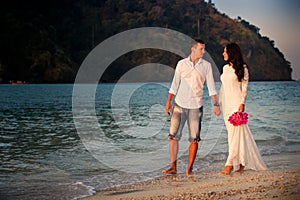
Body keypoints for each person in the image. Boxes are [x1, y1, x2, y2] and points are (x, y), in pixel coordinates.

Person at [163, 39, 221, 176]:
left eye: (204, 49)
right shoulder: (181, 64)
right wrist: (168, 102)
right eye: (201, 49)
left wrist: (216, 104)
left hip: (196, 106)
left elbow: (212, 87)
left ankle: (189, 169)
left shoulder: (206, 66)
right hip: (179, 104)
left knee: (194, 139)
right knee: (173, 137)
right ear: (193, 49)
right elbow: (174, 84)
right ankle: (173, 167)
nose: (203, 51)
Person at [219, 43, 267, 175]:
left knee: (236, 135)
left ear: (232, 53)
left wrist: (242, 104)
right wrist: (218, 103)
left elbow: (244, 88)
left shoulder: (243, 69)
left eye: (225, 51)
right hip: (226, 105)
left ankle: (229, 165)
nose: (223, 54)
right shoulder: (224, 68)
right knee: (232, 136)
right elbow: (223, 87)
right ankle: (241, 164)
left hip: (236, 104)